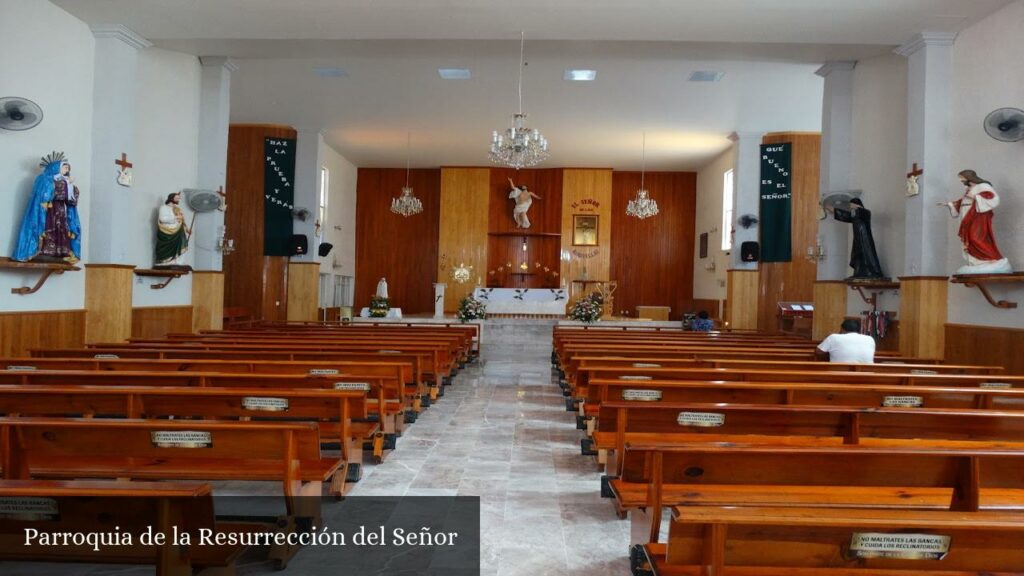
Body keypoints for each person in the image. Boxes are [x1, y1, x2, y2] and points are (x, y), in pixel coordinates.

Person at [938, 170, 1012, 275]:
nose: (961, 180)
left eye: (962, 178)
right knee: (970, 240)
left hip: (978, 216)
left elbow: (994, 199)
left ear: (969, 177)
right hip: (967, 215)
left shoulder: (983, 186)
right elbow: (963, 201)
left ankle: (993, 259)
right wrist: (950, 204)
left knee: (975, 237)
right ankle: (977, 262)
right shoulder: (969, 188)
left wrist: (975, 197)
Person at [13, 152, 82, 263]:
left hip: (60, 209)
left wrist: (70, 186)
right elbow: (45, 194)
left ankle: (59, 252)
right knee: (49, 227)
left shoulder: (65, 181)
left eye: (67, 168)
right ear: (56, 168)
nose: (67, 170)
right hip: (48, 211)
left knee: (61, 229)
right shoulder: (44, 179)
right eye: (65, 167)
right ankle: (42, 250)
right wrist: (64, 184)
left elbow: (72, 199)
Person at [834, 198, 885, 279]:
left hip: (865, 238)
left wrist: (857, 209)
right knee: (858, 255)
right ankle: (858, 273)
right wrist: (834, 210)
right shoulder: (855, 213)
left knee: (867, 254)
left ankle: (872, 272)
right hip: (858, 238)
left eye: (851, 204)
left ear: (856, 204)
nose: (850, 206)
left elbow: (858, 213)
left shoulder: (864, 212)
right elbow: (846, 216)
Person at [155, 192, 190, 268]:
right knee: (166, 247)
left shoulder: (177, 209)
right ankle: (165, 261)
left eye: (178, 198)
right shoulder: (163, 208)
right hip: (166, 231)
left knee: (182, 242)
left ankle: (177, 260)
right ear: (171, 198)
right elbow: (162, 219)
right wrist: (175, 218)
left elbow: (182, 220)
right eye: (177, 198)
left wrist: (187, 229)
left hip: (178, 229)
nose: (178, 200)